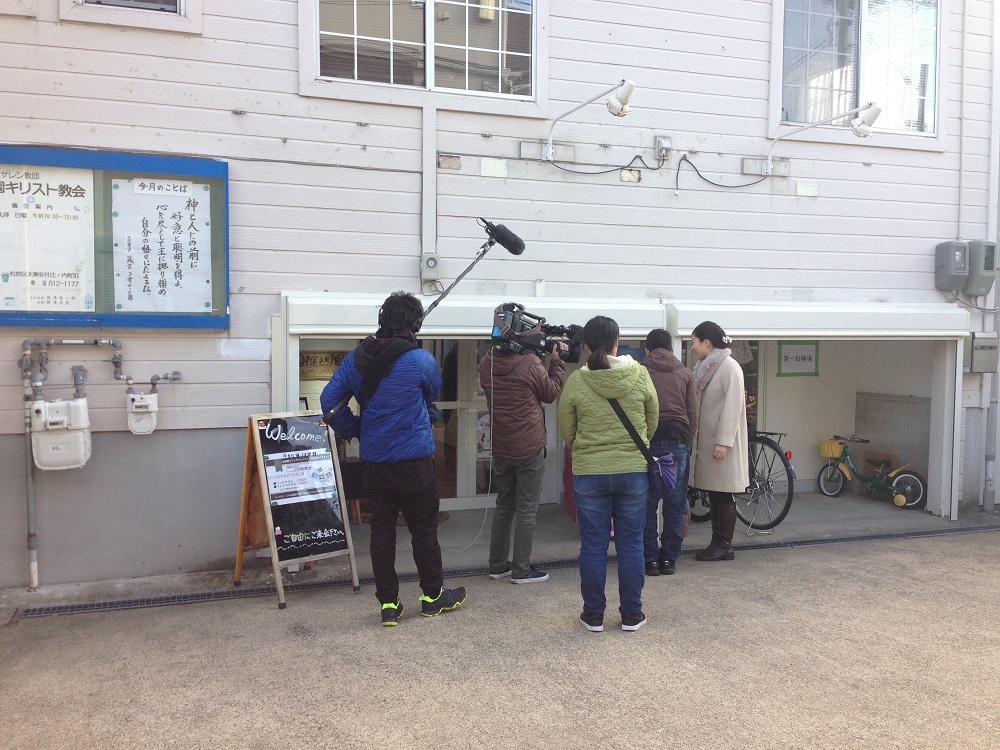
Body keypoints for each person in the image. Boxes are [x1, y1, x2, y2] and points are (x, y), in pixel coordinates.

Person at [320, 291, 467, 626]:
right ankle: (433, 596)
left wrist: (357, 429)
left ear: (381, 320)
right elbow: (432, 394)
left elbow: (329, 403)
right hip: (414, 462)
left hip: (375, 463)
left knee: (382, 533)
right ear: (415, 325)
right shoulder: (421, 360)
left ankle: (389, 604)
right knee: (424, 530)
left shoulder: (357, 359)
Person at [558, 316, 658, 632]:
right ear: (617, 342)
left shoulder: (577, 381)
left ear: (586, 346)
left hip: (590, 473)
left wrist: (584, 449)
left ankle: (593, 615)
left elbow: (566, 428)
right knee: (631, 544)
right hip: (633, 472)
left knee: (593, 545)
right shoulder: (640, 374)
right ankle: (631, 614)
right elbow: (652, 420)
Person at [478, 325, 568, 584]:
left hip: (502, 444)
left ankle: (497, 565)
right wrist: (556, 362)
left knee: (504, 505)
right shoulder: (529, 363)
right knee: (527, 509)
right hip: (529, 444)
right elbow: (550, 393)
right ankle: (521, 569)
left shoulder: (487, 362)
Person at [688, 321, 748, 562]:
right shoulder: (708, 366)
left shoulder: (730, 367)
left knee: (723, 493)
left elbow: (733, 407)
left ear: (707, 342)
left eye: (694, 341)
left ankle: (724, 544)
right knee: (715, 493)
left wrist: (723, 442)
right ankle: (718, 542)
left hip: (721, 445)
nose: (692, 346)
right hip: (710, 443)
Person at [642, 328, 698, 576]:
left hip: (648, 443)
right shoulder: (685, 373)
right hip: (678, 441)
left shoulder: (640, 372)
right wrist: (688, 441)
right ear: (672, 350)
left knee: (647, 503)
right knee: (675, 503)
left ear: (647, 351)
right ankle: (669, 559)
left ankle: (650, 560)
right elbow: (692, 413)